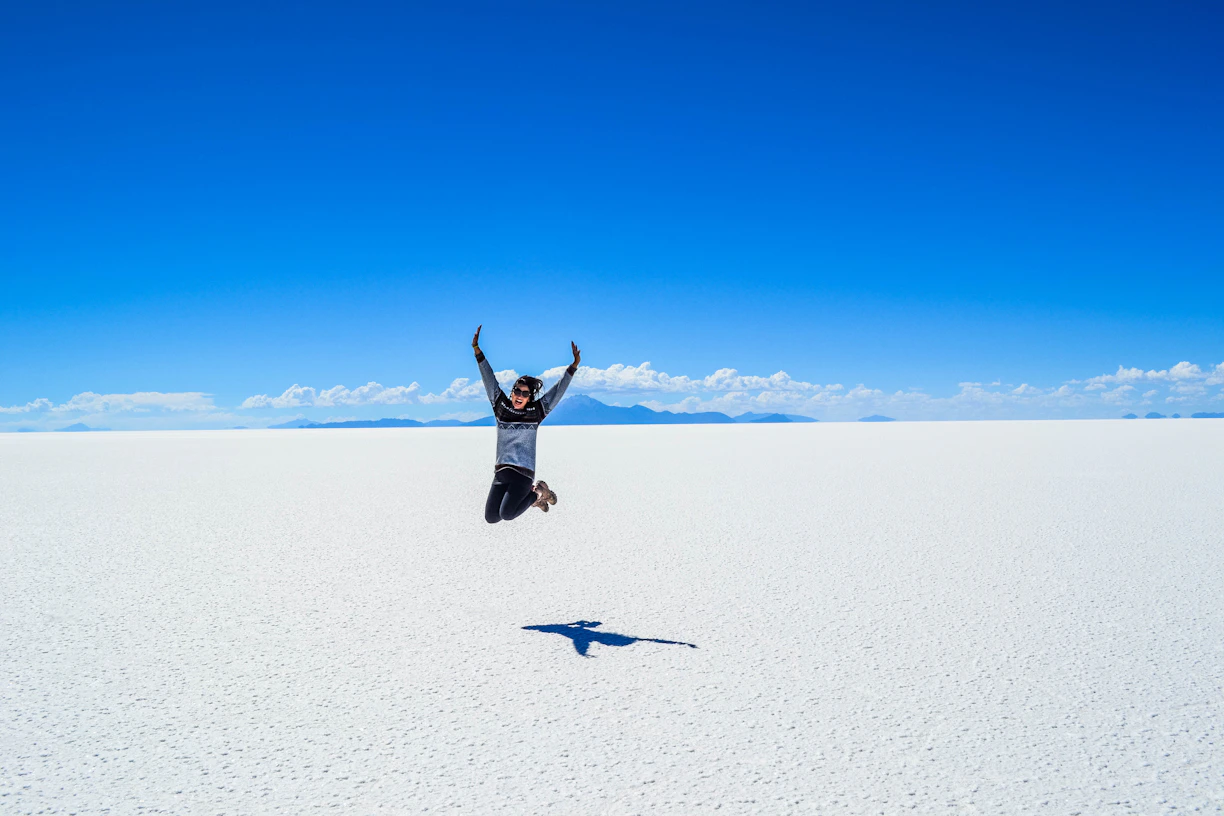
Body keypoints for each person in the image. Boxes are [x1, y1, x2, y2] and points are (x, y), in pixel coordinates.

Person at [472, 325, 580, 523]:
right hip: (501, 472)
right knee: (491, 517)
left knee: (507, 514)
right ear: (512, 392)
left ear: (529, 398)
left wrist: (572, 368)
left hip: (523, 473)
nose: (519, 396)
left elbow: (557, 392)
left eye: (525, 393)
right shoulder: (501, 407)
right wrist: (478, 352)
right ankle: (535, 499)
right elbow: (489, 380)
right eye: (517, 391)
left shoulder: (535, 412)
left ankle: (539, 493)